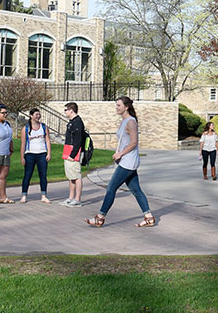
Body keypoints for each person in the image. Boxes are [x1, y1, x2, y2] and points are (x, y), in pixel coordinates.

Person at [85, 96, 155, 228]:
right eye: (116, 105)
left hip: (128, 161)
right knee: (136, 190)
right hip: (127, 161)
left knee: (111, 188)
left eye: (118, 105)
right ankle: (149, 217)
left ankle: (100, 218)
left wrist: (120, 153)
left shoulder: (131, 122)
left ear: (126, 107)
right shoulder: (124, 121)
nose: (116, 108)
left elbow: (134, 142)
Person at [19, 108, 51, 204]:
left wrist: (49, 153)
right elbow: (23, 144)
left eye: (39, 114)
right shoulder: (26, 128)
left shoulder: (44, 127)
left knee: (43, 175)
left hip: (42, 154)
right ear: (31, 116)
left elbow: (48, 140)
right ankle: (24, 195)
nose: (38, 116)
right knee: (27, 175)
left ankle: (44, 195)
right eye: (36, 114)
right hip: (30, 154)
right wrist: (22, 157)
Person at [62, 102, 85, 206]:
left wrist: (73, 154)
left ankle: (77, 199)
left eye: (66, 110)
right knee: (71, 176)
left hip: (73, 153)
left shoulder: (77, 122)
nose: (65, 112)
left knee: (76, 176)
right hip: (68, 151)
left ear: (71, 110)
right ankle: (71, 197)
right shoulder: (72, 122)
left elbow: (78, 140)